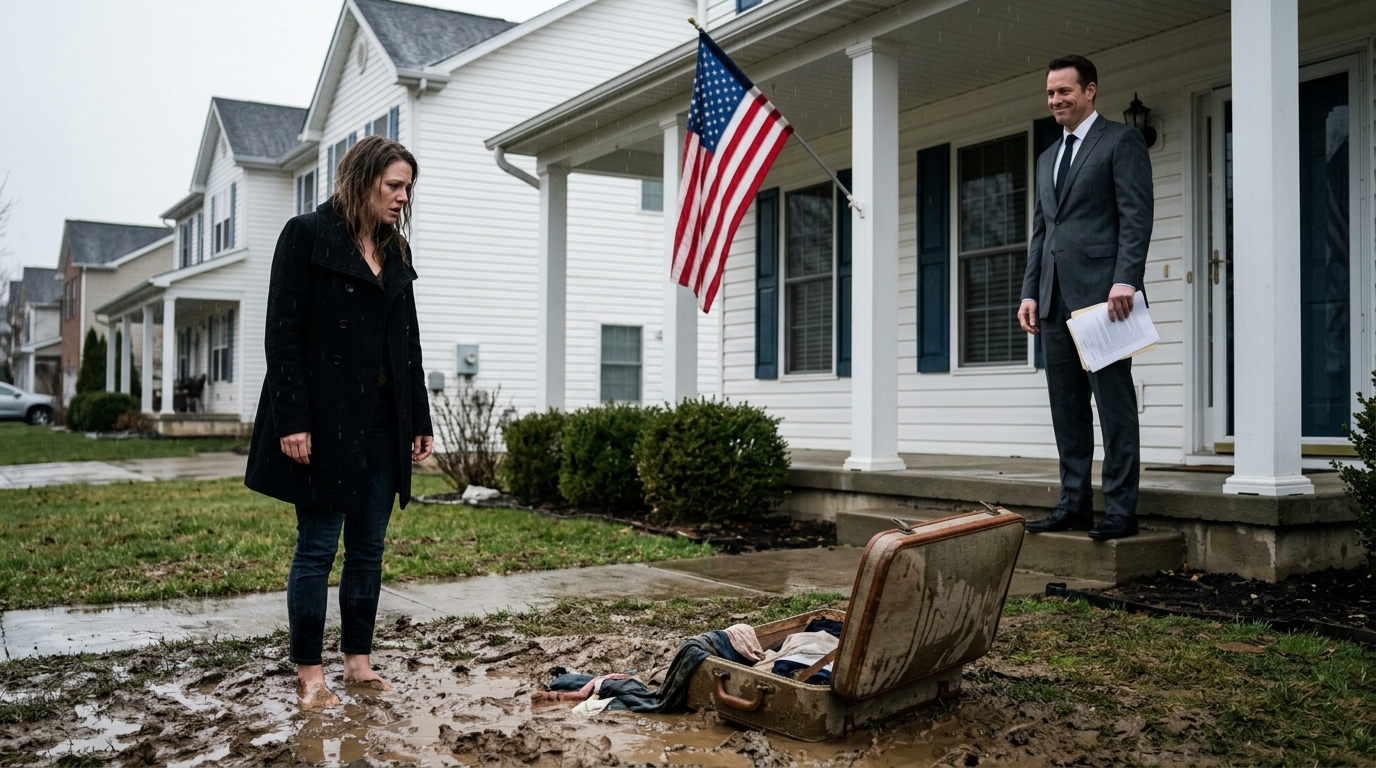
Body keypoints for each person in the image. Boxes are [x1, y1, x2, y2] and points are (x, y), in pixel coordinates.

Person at [245, 135, 435, 708]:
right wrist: (292, 420)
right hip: (323, 421)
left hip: (383, 420)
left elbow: (407, 343)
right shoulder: (306, 235)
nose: (403, 197)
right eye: (394, 185)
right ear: (363, 179)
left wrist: (418, 417)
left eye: (408, 188)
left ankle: (358, 664)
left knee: (369, 547)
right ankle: (310, 674)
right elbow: (282, 333)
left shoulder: (395, 250)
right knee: (318, 547)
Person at [1017, 55, 1153, 541]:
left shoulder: (1121, 140)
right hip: (1053, 300)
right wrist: (1030, 291)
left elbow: (1136, 215)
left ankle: (1120, 511)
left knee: (1114, 409)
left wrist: (1126, 279)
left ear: (1090, 90)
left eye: (1064, 91)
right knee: (1067, 409)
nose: (1056, 100)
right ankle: (1073, 504)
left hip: (1105, 300)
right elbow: (1042, 232)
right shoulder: (1046, 158)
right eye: (1050, 93)